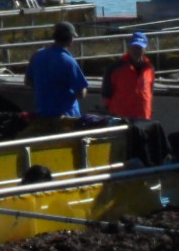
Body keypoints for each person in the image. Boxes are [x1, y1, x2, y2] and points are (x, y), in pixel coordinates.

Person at [101, 31, 167, 166]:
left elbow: (150, 91)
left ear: (145, 48)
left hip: (144, 120)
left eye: (140, 47)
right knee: (122, 155)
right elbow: (106, 94)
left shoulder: (150, 68)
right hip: (123, 120)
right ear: (129, 47)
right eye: (134, 47)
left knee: (144, 156)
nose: (137, 50)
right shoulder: (115, 68)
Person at [24, 22, 89, 125]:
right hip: (66, 117)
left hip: (42, 115)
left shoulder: (37, 55)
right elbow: (81, 93)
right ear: (70, 39)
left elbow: (28, 82)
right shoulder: (68, 61)